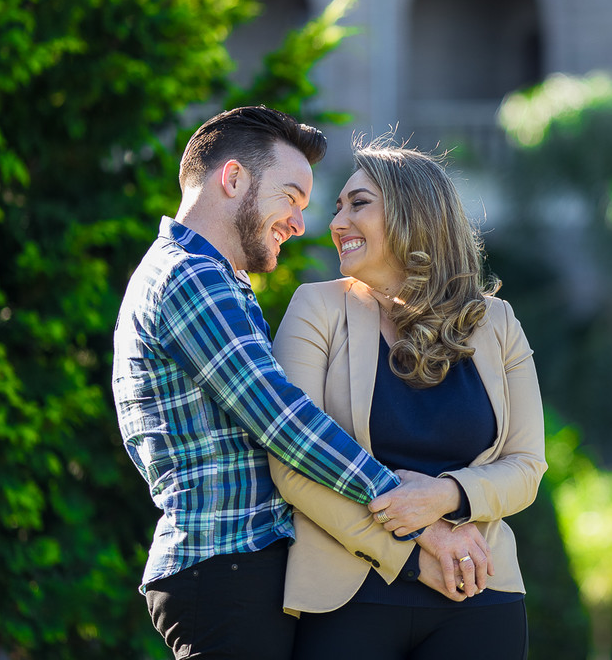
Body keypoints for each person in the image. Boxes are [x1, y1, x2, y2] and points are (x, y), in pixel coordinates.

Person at [112, 106, 413, 660]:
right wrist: (407, 507)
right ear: (233, 179)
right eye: (292, 198)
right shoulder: (189, 277)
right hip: (227, 569)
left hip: (232, 568)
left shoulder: (207, 277)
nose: (300, 223)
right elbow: (283, 422)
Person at [266, 136, 547, 660]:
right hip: (348, 598)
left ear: (414, 212)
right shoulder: (315, 308)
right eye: (337, 207)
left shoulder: (498, 323)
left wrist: (443, 495)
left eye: (359, 203)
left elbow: (527, 467)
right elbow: (293, 464)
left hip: (480, 591)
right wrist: (419, 549)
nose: (336, 222)